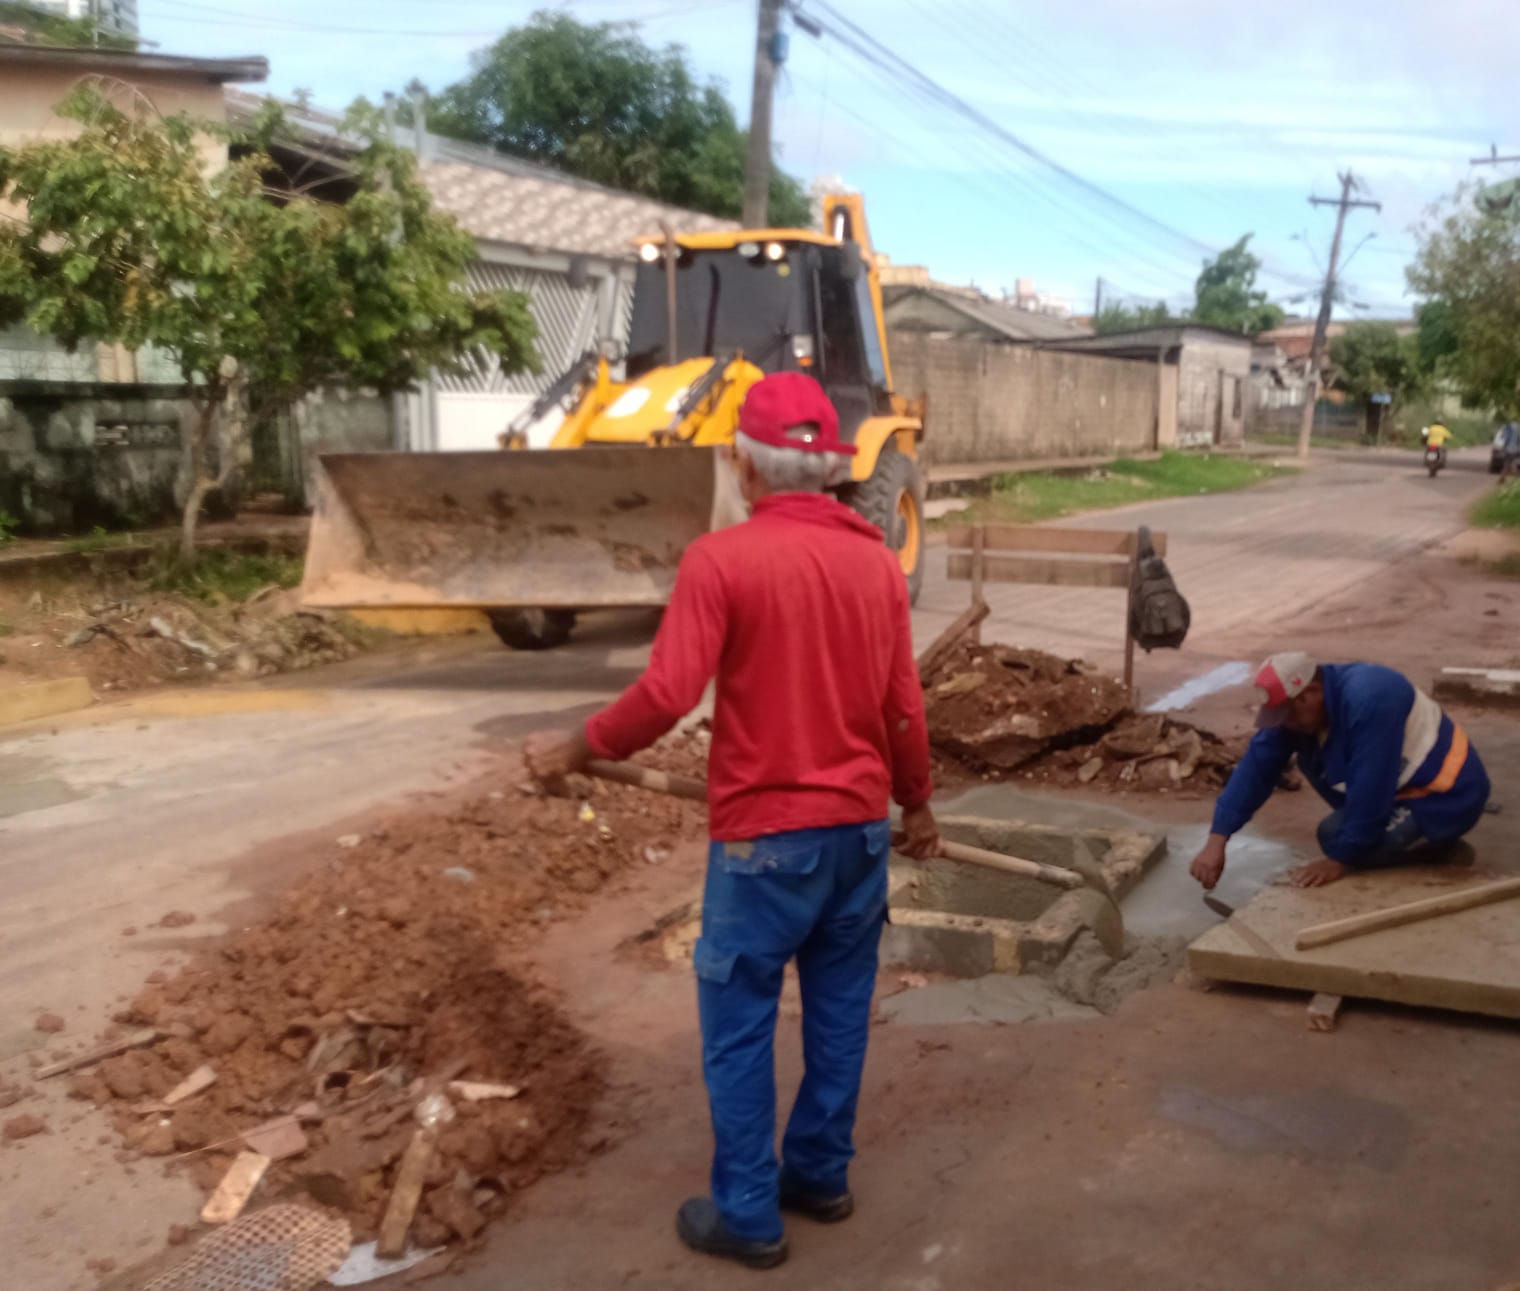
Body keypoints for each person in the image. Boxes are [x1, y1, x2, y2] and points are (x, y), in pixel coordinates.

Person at [523, 372, 940, 1271]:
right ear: (830, 469)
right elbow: (904, 704)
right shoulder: (874, 559)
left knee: (743, 1021)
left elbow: (667, 695)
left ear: (746, 468)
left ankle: (749, 1210)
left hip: (763, 845)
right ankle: (820, 1174)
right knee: (838, 1014)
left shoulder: (722, 561)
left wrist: (577, 744)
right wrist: (920, 805)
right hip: (859, 837)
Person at [1190, 651, 1489, 890]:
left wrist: (1339, 862)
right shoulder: (1299, 712)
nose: (1285, 723)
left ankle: (1441, 852)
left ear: (1313, 692)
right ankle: (1409, 843)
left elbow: (1372, 788)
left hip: (1445, 796)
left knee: (1338, 838)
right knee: (1341, 834)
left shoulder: (1370, 698)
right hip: (1401, 790)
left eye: (1288, 714)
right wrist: (1218, 839)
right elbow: (1257, 766)